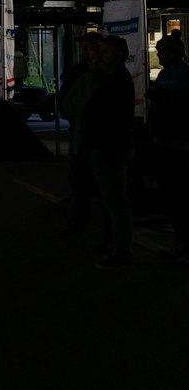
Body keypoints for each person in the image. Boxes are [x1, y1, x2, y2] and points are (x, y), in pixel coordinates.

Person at [80, 34, 136, 269]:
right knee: (111, 199)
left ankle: (122, 251)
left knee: (115, 200)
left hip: (108, 148)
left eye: (104, 52)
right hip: (103, 146)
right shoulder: (109, 77)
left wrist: (99, 144)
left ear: (119, 55)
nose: (99, 56)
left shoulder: (117, 80)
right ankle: (115, 243)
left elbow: (112, 119)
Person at [58, 34, 103, 247]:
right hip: (82, 135)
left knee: (102, 187)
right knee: (80, 181)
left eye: (91, 49)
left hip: (99, 140)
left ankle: (108, 236)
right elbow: (67, 100)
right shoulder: (81, 73)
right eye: (85, 48)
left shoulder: (106, 77)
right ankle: (79, 228)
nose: (88, 53)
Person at [148, 34, 189, 265]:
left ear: (175, 53)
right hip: (163, 142)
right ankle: (180, 241)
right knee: (171, 198)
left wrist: (167, 99)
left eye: (163, 51)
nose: (159, 55)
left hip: (180, 145)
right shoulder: (164, 74)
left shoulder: (184, 74)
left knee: (181, 197)